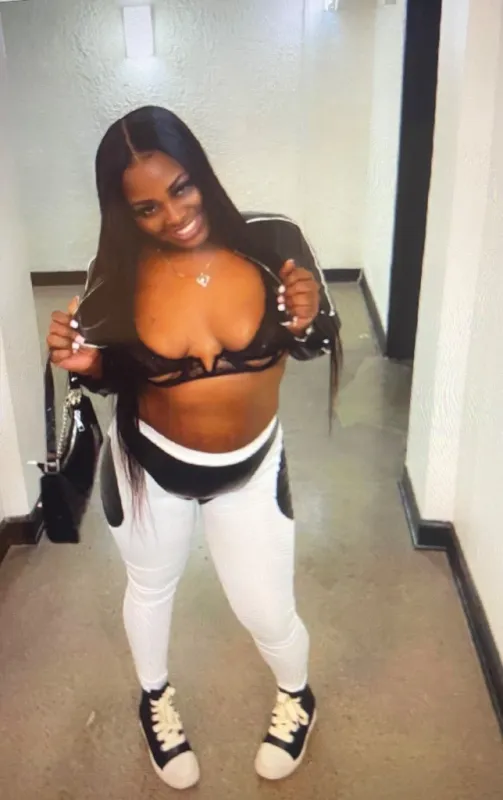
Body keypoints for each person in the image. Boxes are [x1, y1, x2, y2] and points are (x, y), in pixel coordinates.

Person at [46, 106, 342, 790]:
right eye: (147, 208)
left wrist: (305, 318)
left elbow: (318, 341)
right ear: (124, 213)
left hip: (250, 468)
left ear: (201, 172)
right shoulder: (114, 275)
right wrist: (87, 365)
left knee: (267, 609)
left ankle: (298, 695)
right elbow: (113, 375)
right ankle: (154, 700)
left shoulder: (274, 243)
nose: (174, 215)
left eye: (182, 188)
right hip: (147, 467)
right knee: (150, 589)